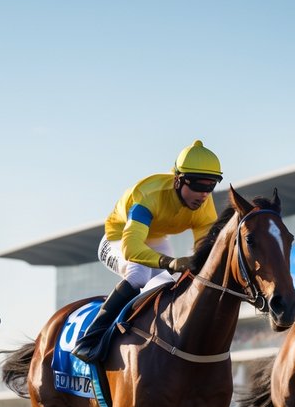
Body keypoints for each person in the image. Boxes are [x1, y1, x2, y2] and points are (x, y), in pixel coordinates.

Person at [71, 140, 223, 363]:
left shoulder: (205, 206)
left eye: (210, 187)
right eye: (199, 187)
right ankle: (88, 341)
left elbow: (204, 254)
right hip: (119, 237)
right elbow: (132, 248)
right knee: (138, 276)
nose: (203, 195)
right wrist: (169, 262)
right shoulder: (149, 195)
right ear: (178, 180)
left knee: (167, 286)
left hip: (155, 238)